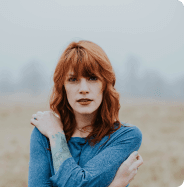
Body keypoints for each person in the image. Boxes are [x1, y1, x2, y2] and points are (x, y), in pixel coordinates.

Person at [28, 40, 143, 187]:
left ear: (105, 85)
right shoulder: (43, 133)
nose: (83, 89)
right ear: (63, 87)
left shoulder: (126, 136)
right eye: (73, 79)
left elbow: (78, 184)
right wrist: (117, 184)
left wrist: (56, 136)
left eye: (93, 78)